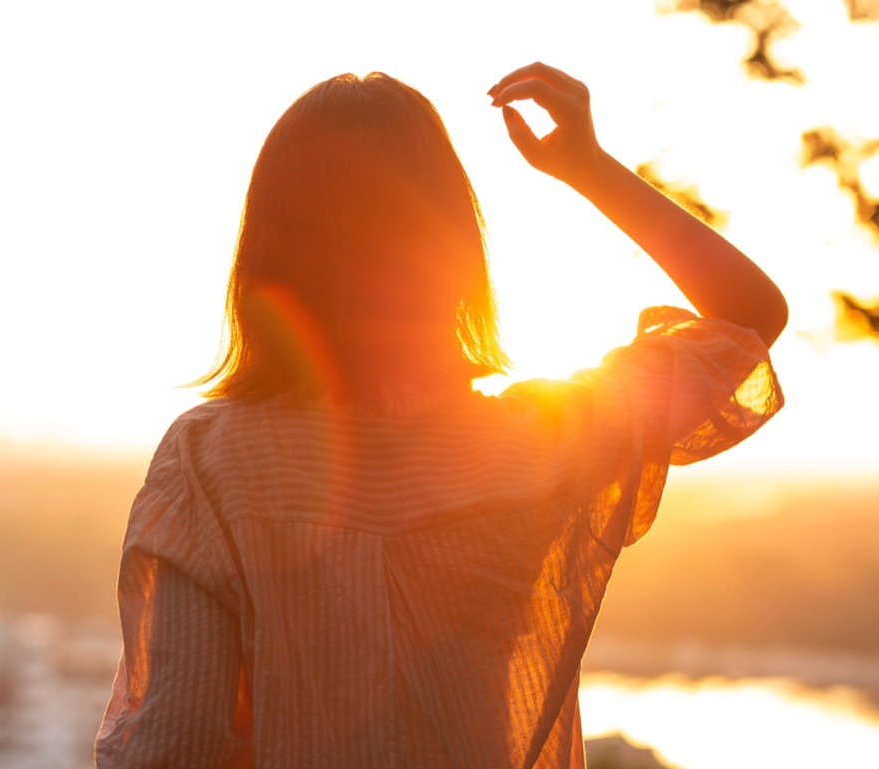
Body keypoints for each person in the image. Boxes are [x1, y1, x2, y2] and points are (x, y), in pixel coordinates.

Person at [94, 62, 786, 768]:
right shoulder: (545, 441)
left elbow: (172, 748)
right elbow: (750, 319)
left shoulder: (213, 462)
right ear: (454, 250)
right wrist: (587, 166)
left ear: (268, 257)